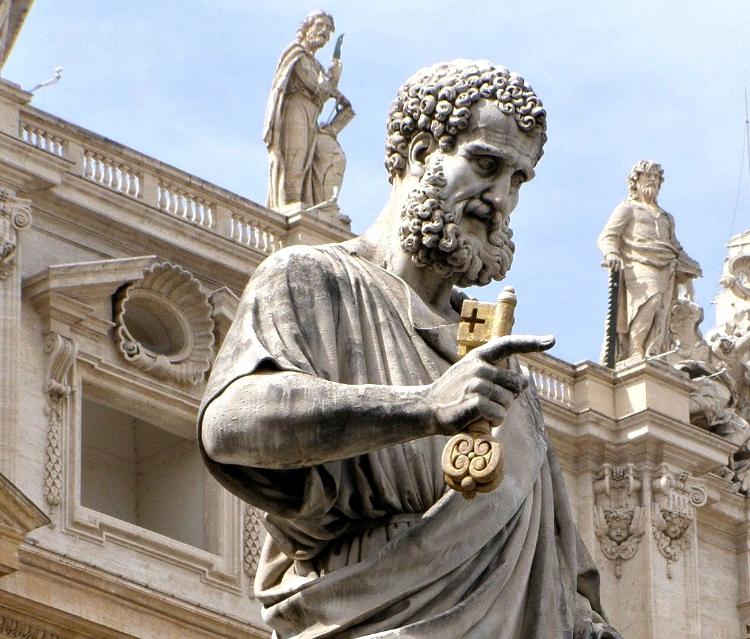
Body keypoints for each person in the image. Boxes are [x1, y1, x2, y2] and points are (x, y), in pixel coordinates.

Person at [201, 59, 621, 639]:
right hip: (371, 618)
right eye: (485, 164)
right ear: (423, 151)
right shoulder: (313, 279)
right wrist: (423, 407)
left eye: (518, 180)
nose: (499, 198)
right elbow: (229, 424)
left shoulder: (501, 364)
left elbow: (560, 581)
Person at [598, 161, 700, 361]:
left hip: (666, 266)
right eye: (647, 176)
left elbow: (675, 246)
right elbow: (608, 236)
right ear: (636, 182)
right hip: (638, 261)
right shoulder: (628, 209)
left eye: (656, 177)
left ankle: (651, 351)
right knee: (650, 301)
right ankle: (634, 349)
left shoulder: (666, 217)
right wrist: (611, 254)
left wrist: (692, 266)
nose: (652, 180)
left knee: (661, 310)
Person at [263, 11, 351, 211]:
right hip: (296, 109)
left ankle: (307, 204)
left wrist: (334, 76)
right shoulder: (295, 54)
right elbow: (314, 86)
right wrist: (332, 84)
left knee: (309, 161)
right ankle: (291, 203)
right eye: (320, 26)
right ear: (306, 27)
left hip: (311, 113)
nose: (324, 32)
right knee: (296, 155)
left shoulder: (316, 65)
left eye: (328, 30)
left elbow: (320, 94)